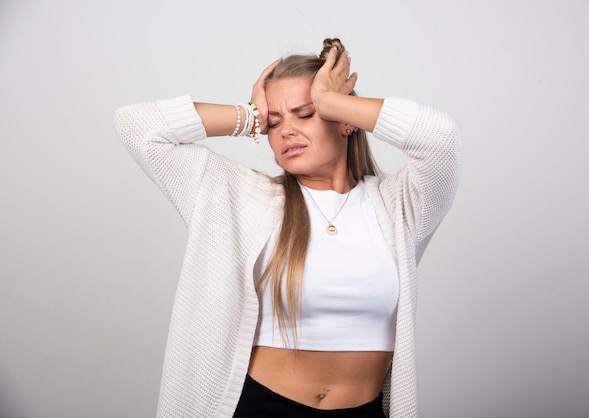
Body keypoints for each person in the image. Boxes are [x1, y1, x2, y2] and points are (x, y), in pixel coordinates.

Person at [114, 38, 461, 418]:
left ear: (347, 122)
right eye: (274, 122)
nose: (285, 132)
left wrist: (334, 102)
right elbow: (136, 125)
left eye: (305, 114)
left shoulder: (399, 205)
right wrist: (249, 117)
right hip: (259, 407)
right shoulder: (244, 197)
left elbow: (440, 139)